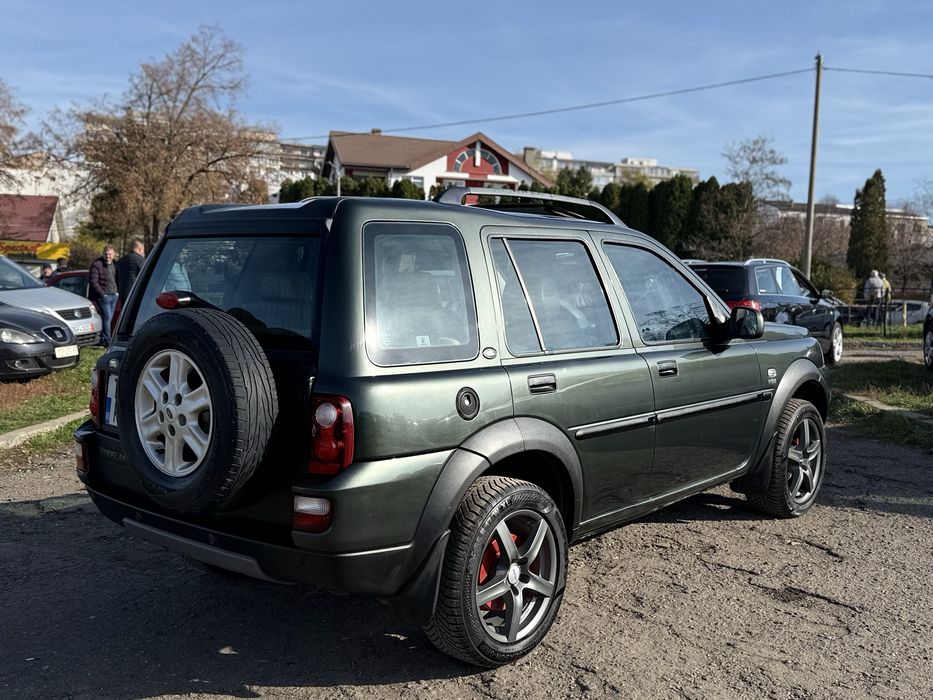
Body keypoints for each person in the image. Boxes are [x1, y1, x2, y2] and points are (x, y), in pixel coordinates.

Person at [89, 245, 118, 345]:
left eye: (110, 254)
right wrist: (102, 294)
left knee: (109, 318)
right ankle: (107, 340)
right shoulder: (97, 264)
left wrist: (117, 292)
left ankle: (105, 338)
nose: (108, 256)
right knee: (107, 318)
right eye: (106, 254)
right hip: (103, 297)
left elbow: (118, 278)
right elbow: (93, 282)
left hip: (114, 295)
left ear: (113, 254)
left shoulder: (115, 263)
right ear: (103, 254)